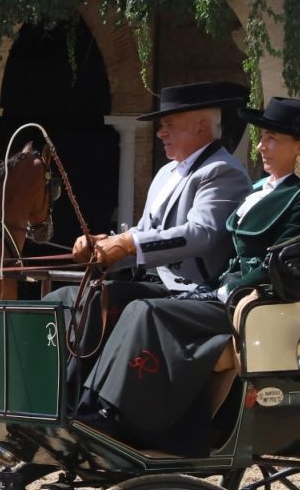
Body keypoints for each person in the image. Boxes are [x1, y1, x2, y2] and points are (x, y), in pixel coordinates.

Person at [76, 97, 300, 454]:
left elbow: (279, 263)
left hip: (256, 303)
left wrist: (227, 288)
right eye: (262, 137)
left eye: (271, 138)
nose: (260, 146)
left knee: (146, 310)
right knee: (132, 304)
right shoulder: (265, 190)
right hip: (225, 294)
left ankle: (121, 415)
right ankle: (90, 403)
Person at [47, 80, 252, 385]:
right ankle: (51, 385)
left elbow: (200, 234)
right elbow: (145, 234)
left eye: (169, 125)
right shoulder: (165, 173)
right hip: (154, 282)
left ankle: (76, 394)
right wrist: (105, 249)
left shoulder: (224, 171)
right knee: (65, 297)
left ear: (200, 127)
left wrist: (128, 242)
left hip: (193, 291)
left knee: (106, 302)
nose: (160, 133)